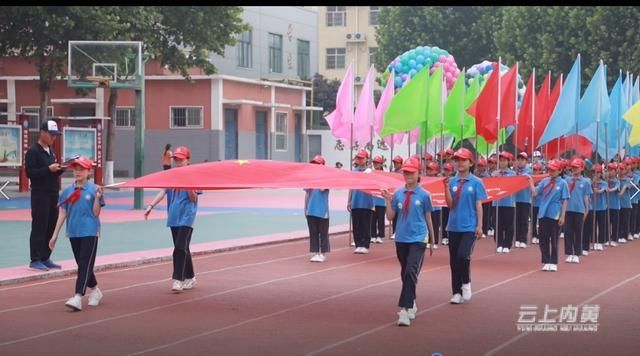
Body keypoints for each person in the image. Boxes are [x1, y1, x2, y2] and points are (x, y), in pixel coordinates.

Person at [381, 157, 435, 327]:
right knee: (406, 272)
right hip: (401, 238)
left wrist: (432, 240)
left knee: (411, 270)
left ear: (418, 173)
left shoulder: (425, 195)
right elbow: (390, 217)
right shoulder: (398, 194)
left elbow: (428, 217)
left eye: (411, 172)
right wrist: (388, 201)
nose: (408, 175)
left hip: (418, 238)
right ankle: (411, 300)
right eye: (405, 172)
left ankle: (404, 309)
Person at [49, 157, 105, 311]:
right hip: (73, 232)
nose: (77, 172)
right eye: (75, 169)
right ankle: (95, 290)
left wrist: (98, 198)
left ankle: (77, 296)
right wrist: (55, 235)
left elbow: (96, 213)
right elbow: (62, 213)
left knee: (84, 264)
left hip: (90, 231)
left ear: (89, 171)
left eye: (81, 169)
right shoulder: (67, 191)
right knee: (83, 264)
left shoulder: (94, 189)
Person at [144, 146, 201, 292]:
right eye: (176, 159)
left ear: (188, 160)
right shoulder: (171, 174)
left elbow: (194, 198)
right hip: (174, 217)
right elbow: (163, 192)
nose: (178, 162)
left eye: (181, 160)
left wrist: (187, 182)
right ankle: (191, 277)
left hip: (187, 217)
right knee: (183, 248)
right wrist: (151, 206)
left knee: (179, 248)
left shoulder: (194, 175)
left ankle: (177, 279)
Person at [444, 148, 488, 304]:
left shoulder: (476, 182)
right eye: (457, 160)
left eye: (463, 160)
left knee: (463, 255)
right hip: (453, 225)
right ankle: (456, 292)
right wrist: (445, 188)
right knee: (454, 260)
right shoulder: (452, 181)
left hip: (469, 226)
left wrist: (480, 226)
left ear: (470, 163)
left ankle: (466, 283)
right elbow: (449, 204)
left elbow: (479, 205)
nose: (460, 163)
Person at [26, 120, 65, 271]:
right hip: (39, 194)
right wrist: (48, 169)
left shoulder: (51, 150)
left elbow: (51, 171)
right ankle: (35, 259)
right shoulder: (33, 151)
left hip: (52, 193)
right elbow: (31, 173)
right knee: (39, 225)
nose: (54, 138)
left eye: (56, 135)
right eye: (51, 135)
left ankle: (45, 257)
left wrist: (60, 169)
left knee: (51, 225)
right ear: (42, 133)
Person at [535, 160, 568, 272]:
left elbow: (565, 200)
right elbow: (535, 193)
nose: (551, 172)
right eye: (550, 169)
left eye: (554, 170)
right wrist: (530, 182)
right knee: (543, 239)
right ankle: (546, 260)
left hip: (555, 213)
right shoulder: (544, 181)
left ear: (559, 170)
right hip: (543, 212)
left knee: (554, 239)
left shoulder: (563, 183)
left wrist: (563, 216)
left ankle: (553, 262)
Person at [563, 158, 592, 264]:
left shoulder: (585, 182)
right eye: (573, 167)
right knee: (568, 232)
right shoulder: (567, 180)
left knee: (578, 232)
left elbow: (586, 197)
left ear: (582, 168)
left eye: (577, 167)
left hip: (579, 210)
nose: (574, 169)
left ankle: (577, 253)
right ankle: (569, 253)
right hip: (568, 209)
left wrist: (587, 209)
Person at [348, 149, 374, 254]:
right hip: (355, 201)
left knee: (365, 224)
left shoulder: (370, 172)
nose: (359, 159)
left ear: (367, 159)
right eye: (358, 157)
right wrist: (349, 201)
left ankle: (365, 244)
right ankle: (358, 243)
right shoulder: (354, 171)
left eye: (362, 158)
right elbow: (351, 187)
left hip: (367, 203)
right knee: (356, 224)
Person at [305, 155, 330, 262]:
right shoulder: (309, 179)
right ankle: (316, 252)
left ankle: (323, 253)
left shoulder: (327, 179)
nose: (315, 166)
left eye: (317, 164)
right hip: (311, 210)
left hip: (322, 211)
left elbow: (323, 188)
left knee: (323, 233)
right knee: (313, 232)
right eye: (313, 164)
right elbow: (307, 194)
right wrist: (305, 208)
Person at [492, 151, 517, 253]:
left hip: (509, 202)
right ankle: (499, 243)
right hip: (497, 202)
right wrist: (495, 178)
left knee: (508, 224)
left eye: (504, 160)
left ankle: (507, 244)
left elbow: (514, 186)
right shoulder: (494, 173)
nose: (502, 162)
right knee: (497, 224)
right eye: (500, 160)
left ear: (508, 162)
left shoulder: (512, 174)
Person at [514, 152, 535, 248]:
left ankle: (523, 239)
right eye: (519, 159)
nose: (520, 162)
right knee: (517, 220)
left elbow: (525, 178)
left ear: (526, 161)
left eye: (522, 160)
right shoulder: (515, 171)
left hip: (525, 199)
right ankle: (517, 238)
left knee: (524, 220)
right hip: (515, 199)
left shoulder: (529, 171)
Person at [585, 164, 607, 251]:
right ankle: (592, 241)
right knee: (592, 225)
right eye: (594, 172)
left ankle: (600, 242)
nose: (595, 174)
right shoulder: (589, 182)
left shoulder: (604, 183)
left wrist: (597, 189)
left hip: (601, 207)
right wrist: (592, 183)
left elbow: (601, 191)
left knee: (601, 225)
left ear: (600, 174)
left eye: (597, 172)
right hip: (592, 207)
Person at [371, 156, 387, 244]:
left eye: (377, 163)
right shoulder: (371, 174)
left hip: (381, 201)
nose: (375, 164)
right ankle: (373, 235)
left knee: (380, 219)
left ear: (381, 164)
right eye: (374, 163)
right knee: (373, 219)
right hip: (373, 200)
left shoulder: (384, 175)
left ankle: (380, 235)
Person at [426, 162, 442, 248]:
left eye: (431, 169)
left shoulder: (439, 180)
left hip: (436, 206)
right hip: (427, 205)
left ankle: (434, 241)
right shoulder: (424, 179)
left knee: (435, 224)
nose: (429, 171)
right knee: (427, 223)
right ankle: (427, 240)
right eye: (428, 169)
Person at [606, 163, 620, 247]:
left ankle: (614, 239)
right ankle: (607, 239)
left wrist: (610, 189)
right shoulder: (605, 181)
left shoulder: (617, 181)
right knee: (607, 223)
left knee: (614, 223)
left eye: (611, 170)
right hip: (607, 205)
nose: (610, 172)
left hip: (615, 205)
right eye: (608, 170)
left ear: (615, 171)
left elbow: (616, 188)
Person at [618, 163, 633, 244]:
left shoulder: (627, 180)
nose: (620, 170)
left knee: (625, 220)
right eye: (619, 169)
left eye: (622, 169)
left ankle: (625, 235)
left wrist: (621, 192)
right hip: (618, 204)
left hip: (626, 204)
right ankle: (619, 235)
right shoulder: (616, 180)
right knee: (619, 220)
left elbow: (625, 188)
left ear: (624, 170)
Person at [531, 163, 544, 244]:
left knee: (540, 221)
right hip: (533, 203)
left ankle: (540, 235)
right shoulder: (532, 179)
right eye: (534, 170)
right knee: (533, 221)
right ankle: (534, 235)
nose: (535, 171)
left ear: (540, 171)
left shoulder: (542, 181)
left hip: (540, 203)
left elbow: (537, 191)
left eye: (537, 170)